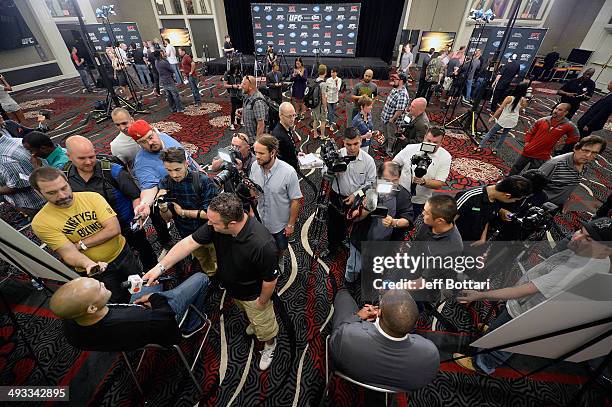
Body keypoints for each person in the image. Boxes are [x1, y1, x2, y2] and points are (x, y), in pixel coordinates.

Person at [455, 217, 612, 375]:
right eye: (580, 231)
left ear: (607, 249)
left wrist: (480, 295)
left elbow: (522, 291)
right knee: (501, 328)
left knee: (504, 341)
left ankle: (482, 364)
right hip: (526, 304)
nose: (576, 237)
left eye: (588, 239)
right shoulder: (593, 255)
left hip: (526, 311)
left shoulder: (576, 272)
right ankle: (494, 333)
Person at [143, 193, 280, 370]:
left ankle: (270, 344)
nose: (209, 224)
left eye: (214, 223)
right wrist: (159, 268)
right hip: (234, 289)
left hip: (254, 296)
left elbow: (270, 280)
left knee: (264, 326)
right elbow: (188, 244)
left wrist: (261, 302)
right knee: (250, 316)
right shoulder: (216, 224)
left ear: (231, 224)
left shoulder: (263, 245)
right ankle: (255, 324)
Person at [30, 167, 139, 303]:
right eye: (52, 193)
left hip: (123, 254)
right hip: (98, 271)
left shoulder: (92, 197)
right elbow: (68, 253)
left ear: (68, 182)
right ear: (38, 193)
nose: (62, 195)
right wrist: (89, 264)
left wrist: (80, 245)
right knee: (116, 301)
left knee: (140, 285)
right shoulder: (41, 222)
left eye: (64, 188)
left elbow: (113, 229)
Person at [63, 135, 157, 272]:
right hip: (96, 231)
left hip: (126, 225)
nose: (89, 162)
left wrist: (138, 215)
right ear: (69, 156)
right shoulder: (64, 177)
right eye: (82, 158)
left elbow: (135, 195)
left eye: (92, 156)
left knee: (144, 250)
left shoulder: (113, 171)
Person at [50, 273, 210, 350]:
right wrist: (155, 298)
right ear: (91, 308)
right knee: (200, 278)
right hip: (159, 323)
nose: (102, 283)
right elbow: (171, 332)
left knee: (147, 279)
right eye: (99, 287)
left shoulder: (71, 319)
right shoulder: (137, 319)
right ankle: (192, 325)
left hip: (130, 330)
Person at [329, 288, 440, 391]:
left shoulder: (347, 336)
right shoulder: (431, 355)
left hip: (350, 372)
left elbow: (334, 340)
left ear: (379, 313)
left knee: (343, 296)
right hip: (400, 387)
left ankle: (342, 291)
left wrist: (357, 317)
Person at [129, 120, 199, 257]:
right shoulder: (142, 163)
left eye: (150, 137)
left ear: (155, 131)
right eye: (143, 142)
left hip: (198, 186)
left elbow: (187, 158)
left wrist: (199, 169)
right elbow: (149, 188)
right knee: (195, 237)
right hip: (184, 202)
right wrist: (144, 204)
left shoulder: (165, 138)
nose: (150, 143)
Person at [345, 161, 414, 283]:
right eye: (387, 180)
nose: (391, 185)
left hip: (385, 245)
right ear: (378, 177)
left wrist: (394, 222)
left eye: (395, 181)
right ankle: (349, 281)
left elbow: (408, 220)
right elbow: (353, 218)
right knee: (354, 267)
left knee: (375, 270)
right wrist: (365, 209)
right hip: (361, 240)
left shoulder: (403, 194)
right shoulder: (366, 190)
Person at [157, 147, 218, 275]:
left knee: (218, 257)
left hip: (209, 230)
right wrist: (162, 207)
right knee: (202, 259)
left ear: (186, 163)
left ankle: (222, 277)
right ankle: (211, 276)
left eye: (177, 169)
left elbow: (212, 214)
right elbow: (167, 218)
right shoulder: (165, 183)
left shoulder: (203, 181)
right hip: (186, 232)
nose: (174, 175)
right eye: (169, 170)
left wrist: (182, 212)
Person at [250, 135, 302, 273]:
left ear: (272, 153)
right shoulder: (255, 166)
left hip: (279, 224)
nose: (257, 156)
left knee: (280, 247)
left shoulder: (288, 172)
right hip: (259, 219)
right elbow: (252, 189)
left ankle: (279, 262)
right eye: (255, 152)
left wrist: (291, 224)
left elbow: (296, 200)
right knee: (261, 246)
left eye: (261, 153)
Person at [324, 128, 377, 259]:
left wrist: (356, 195)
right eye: (349, 144)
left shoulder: (368, 161)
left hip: (356, 198)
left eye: (356, 144)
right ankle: (331, 247)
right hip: (336, 196)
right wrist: (332, 171)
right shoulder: (336, 156)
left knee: (349, 224)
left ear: (360, 141)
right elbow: (324, 175)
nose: (352, 148)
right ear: (343, 142)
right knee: (332, 224)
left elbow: (370, 183)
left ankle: (343, 240)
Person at [454, 175, 532, 246]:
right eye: (515, 200)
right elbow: (447, 220)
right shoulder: (470, 197)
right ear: (507, 196)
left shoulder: (497, 199)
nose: (514, 202)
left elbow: (485, 218)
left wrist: (483, 238)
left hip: (472, 242)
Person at [392, 127, 451, 219]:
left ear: (441, 143)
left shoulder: (445, 157)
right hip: (399, 194)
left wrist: (423, 182)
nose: (431, 144)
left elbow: (440, 183)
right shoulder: (410, 148)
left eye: (435, 143)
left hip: (418, 201)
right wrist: (394, 179)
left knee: (406, 225)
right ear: (424, 137)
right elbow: (394, 164)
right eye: (428, 140)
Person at [508, 102, 579, 175]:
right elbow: (530, 132)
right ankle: (505, 182)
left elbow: (575, 137)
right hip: (529, 150)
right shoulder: (543, 120)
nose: (555, 111)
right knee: (515, 169)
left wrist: (562, 143)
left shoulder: (569, 125)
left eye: (559, 110)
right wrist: (527, 144)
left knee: (530, 175)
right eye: (555, 108)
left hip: (542, 156)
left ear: (565, 112)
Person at [538, 135, 607, 211]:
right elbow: (531, 185)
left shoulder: (584, 166)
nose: (588, 155)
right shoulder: (555, 164)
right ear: (576, 148)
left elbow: (568, 185)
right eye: (586, 150)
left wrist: (566, 200)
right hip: (539, 206)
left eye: (594, 153)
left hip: (554, 207)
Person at [0, 130, 45, 219]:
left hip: (38, 205)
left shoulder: (3, 158)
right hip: (45, 197)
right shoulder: (18, 141)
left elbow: (20, 184)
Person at [477, 82, 529, 154]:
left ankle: (480, 146)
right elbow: (520, 110)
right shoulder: (524, 101)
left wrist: (492, 117)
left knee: (490, 133)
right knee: (504, 135)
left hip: (504, 119)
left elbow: (500, 109)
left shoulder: (509, 98)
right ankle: (495, 150)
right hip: (513, 120)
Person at [380, 72, 409, 156]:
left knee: (391, 137)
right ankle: (385, 146)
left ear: (401, 81)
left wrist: (392, 120)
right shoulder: (395, 89)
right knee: (386, 134)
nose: (393, 80)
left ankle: (389, 151)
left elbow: (399, 110)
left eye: (396, 79)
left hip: (392, 121)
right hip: (386, 117)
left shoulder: (402, 94)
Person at [236, 75, 268, 141]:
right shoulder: (248, 95)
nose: (241, 86)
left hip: (255, 140)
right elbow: (251, 108)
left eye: (244, 84)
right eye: (242, 83)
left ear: (250, 87)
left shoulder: (258, 101)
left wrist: (257, 143)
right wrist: (242, 110)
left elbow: (261, 124)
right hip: (249, 138)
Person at [155, 49, 184, 113]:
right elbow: (172, 70)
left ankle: (173, 108)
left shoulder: (156, 62)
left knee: (169, 96)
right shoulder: (164, 62)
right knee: (175, 95)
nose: (164, 54)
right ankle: (179, 108)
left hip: (163, 80)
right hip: (168, 80)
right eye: (162, 53)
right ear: (160, 55)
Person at [272, 102, 299, 170]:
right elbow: (279, 159)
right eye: (289, 116)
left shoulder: (286, 126)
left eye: (294, 115)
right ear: (280, 115)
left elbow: (288, 149)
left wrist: (297, 153)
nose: (292, 119)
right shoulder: (278, 135)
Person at [311, 64, 329, 140]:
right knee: (323, 121)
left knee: (315, 119)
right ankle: (322, 135)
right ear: (325, 72)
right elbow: (323, 97)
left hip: (314, 104)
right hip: (320, 105)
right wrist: (325, 107)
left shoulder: (316, 80)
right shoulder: (323, 84)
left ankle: (315, 134)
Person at [224, 64, 243, 131]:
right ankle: (232, 123)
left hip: (240, 93)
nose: (236, 71)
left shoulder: (239, 73)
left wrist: (240, 85)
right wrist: (232, 86)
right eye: (235, 70)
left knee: (240, 108)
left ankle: (239, 121)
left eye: (237, 70)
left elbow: (242, 82)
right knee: (233, 109)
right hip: (233, 94)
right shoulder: (227, 74)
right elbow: (225, 85)